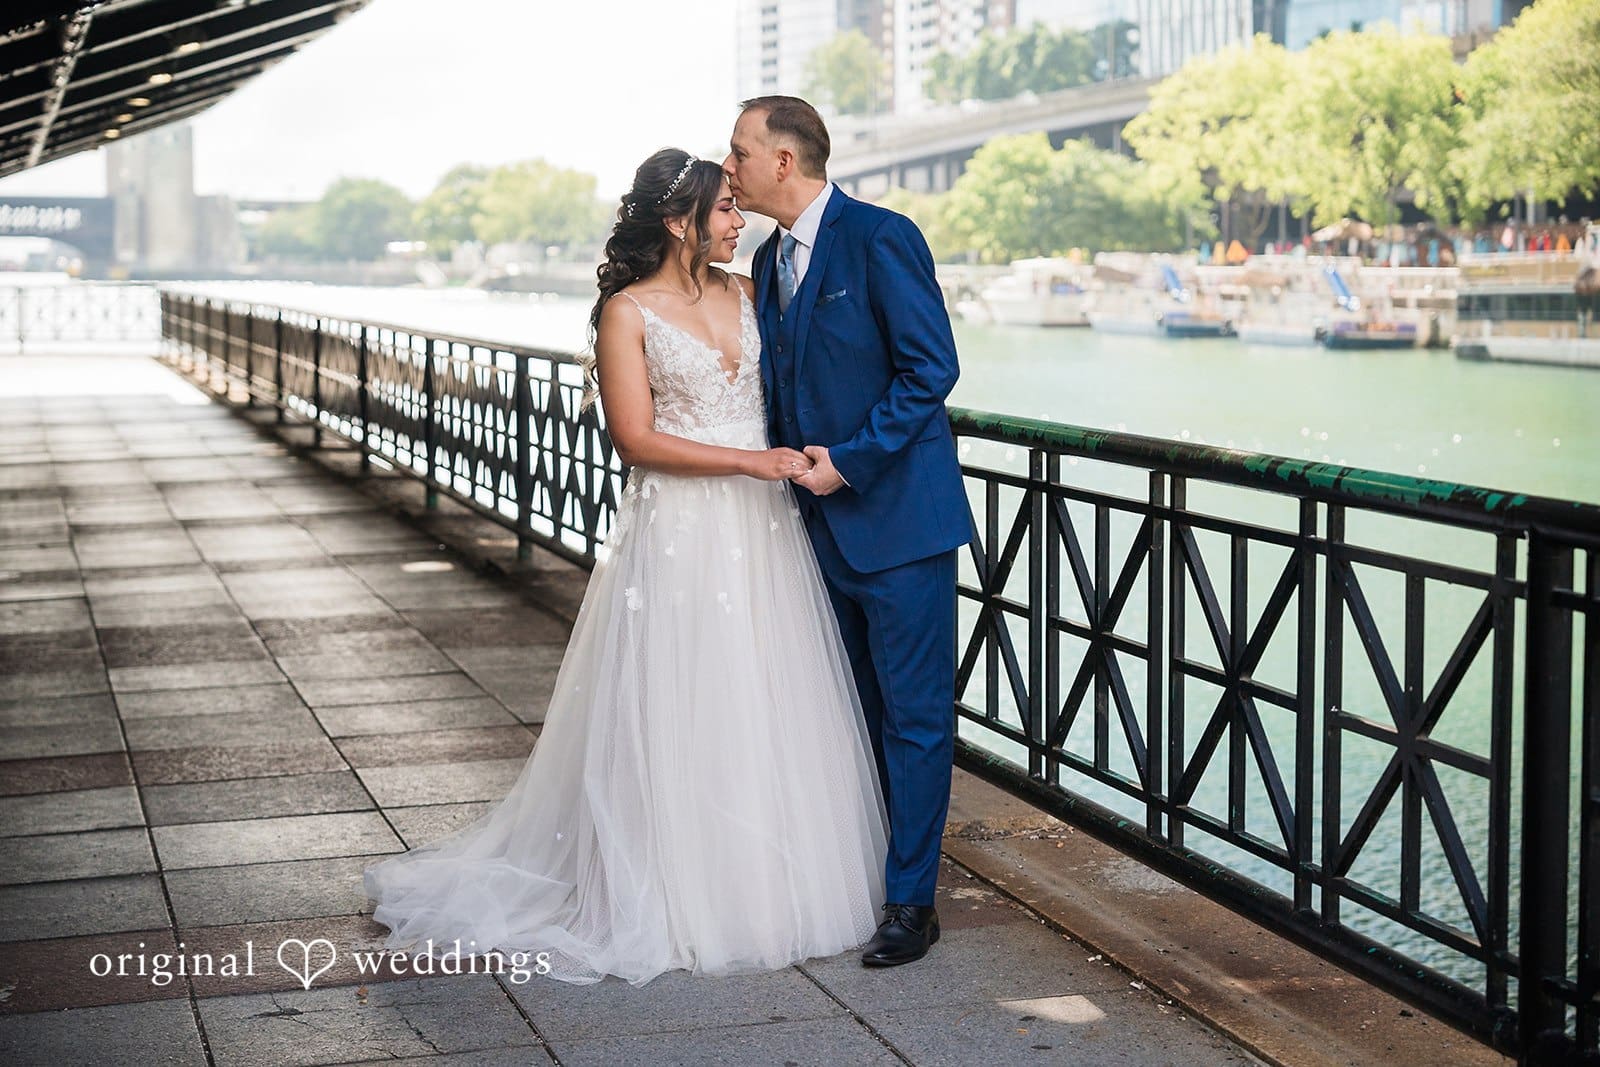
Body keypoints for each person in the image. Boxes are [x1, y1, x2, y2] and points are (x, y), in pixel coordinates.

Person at [363, 148, 890, 986]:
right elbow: (636, 440)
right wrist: (753, 464)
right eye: (723, 209)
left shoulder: (752, 291)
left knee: (762, 691)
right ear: (679, 220)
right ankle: (675, 889)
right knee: (681, 693)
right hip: (682, 527)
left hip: (764, 531)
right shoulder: (626, 312)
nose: (737, 220)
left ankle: (764, 883)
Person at [724, 96, 971, 968]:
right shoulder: (764, 257)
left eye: (741, 151)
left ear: (784, 161)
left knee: (913, 719)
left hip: (900, 525)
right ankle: (862, 873)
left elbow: (930, 366)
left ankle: (912, 904)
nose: (732, 167)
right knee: (846, 712)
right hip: (813, 531)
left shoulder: (880, 235)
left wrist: (852, 461)